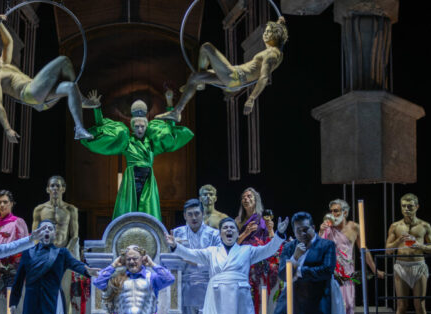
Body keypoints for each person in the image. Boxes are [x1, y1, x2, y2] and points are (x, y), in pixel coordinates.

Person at [0, 14, 95, 141]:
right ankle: (82, 101)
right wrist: (8, 129)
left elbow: (8, 42)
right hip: (29, 93)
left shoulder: (4, 63)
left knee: (71, 87)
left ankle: (79, 129)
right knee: (63, 60)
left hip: (41, 101)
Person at [81, 90, 194, 221]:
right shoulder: (127, 143)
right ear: (132, 127)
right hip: (131, 180)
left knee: (147, 212)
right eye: (137, 126)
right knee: (129, 211)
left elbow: (169, 131)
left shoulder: (151, 144)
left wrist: (169, 103)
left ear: (146, 127)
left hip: (147, 181)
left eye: (142, 126)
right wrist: (97, 109)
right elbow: (104, 129)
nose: (140, 129)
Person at [155, 17, 288, 122]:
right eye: (265, 31)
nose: (265, 34)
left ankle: (200, 84)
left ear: (275, 35)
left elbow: (264, 77)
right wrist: (280, 22)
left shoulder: (271, 55)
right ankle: (176, 112)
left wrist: (251, 99)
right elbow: (278, 37)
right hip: (235, 78)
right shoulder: (276, 52)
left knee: (207, 47)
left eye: (268, 32)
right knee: (194, 77)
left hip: (234, 76)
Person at [171, 198, 220, 314]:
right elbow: (171, 261)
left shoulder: (214, 234)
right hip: (185, 291)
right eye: (190, 214)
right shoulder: (176, 234)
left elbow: (215, 260)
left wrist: (189, 258)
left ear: (203, 214)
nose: (194, 217)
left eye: (197, 213)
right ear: (184, 216)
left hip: (209, 291)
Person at [319, 199, 384, 314]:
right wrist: (321, 231)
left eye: (336, 211)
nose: (333, 214)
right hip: (331, 272)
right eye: (331, 211)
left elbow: (364, 250)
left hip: (347, 273)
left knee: (348, 305)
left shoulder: (354, 227)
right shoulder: (327, 229)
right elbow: (318, 248)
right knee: (335, 306)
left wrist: (374, 270)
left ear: (345, 212)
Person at [32, 176, 81, 314]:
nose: (55, 189)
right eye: (52, 186)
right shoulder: (40, 210)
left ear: (63, 189)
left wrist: (64, 254)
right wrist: (39, 255)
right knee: (44, 294)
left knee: (64, 294)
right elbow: (34, 236)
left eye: (58, 186)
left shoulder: (71, 209)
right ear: (47, 189)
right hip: (44, 256)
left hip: (62, 255)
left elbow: (74, 236)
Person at [386, 193, 431, 314]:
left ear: (417, 207)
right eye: (403, 206)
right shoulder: (395, 226)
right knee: (401, 305)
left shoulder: (424, 225)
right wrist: (398, 241)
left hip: (418, 265)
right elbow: (388, 250)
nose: (406, 209)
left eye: (410, 206)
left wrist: (420, 246)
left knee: (419, 304)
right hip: (401, 266)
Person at [235, 187, 278, 314]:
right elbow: (233, 245)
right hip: (242, 262)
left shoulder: (263, 219)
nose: (246, 199)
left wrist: (271, 229)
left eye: (249, 196)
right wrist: (246, 233)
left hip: (259, 262)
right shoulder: (237, 221)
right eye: (243, 197)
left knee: (259, 297)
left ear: (256, 200)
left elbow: (273, 243)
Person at [0, 189, 29, 314]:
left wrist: (16, 265)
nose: (2, 205)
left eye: (5, 202)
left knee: (15, 304)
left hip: (14, 269)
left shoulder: (18, 222)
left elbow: (25, 245)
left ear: (12, 204)